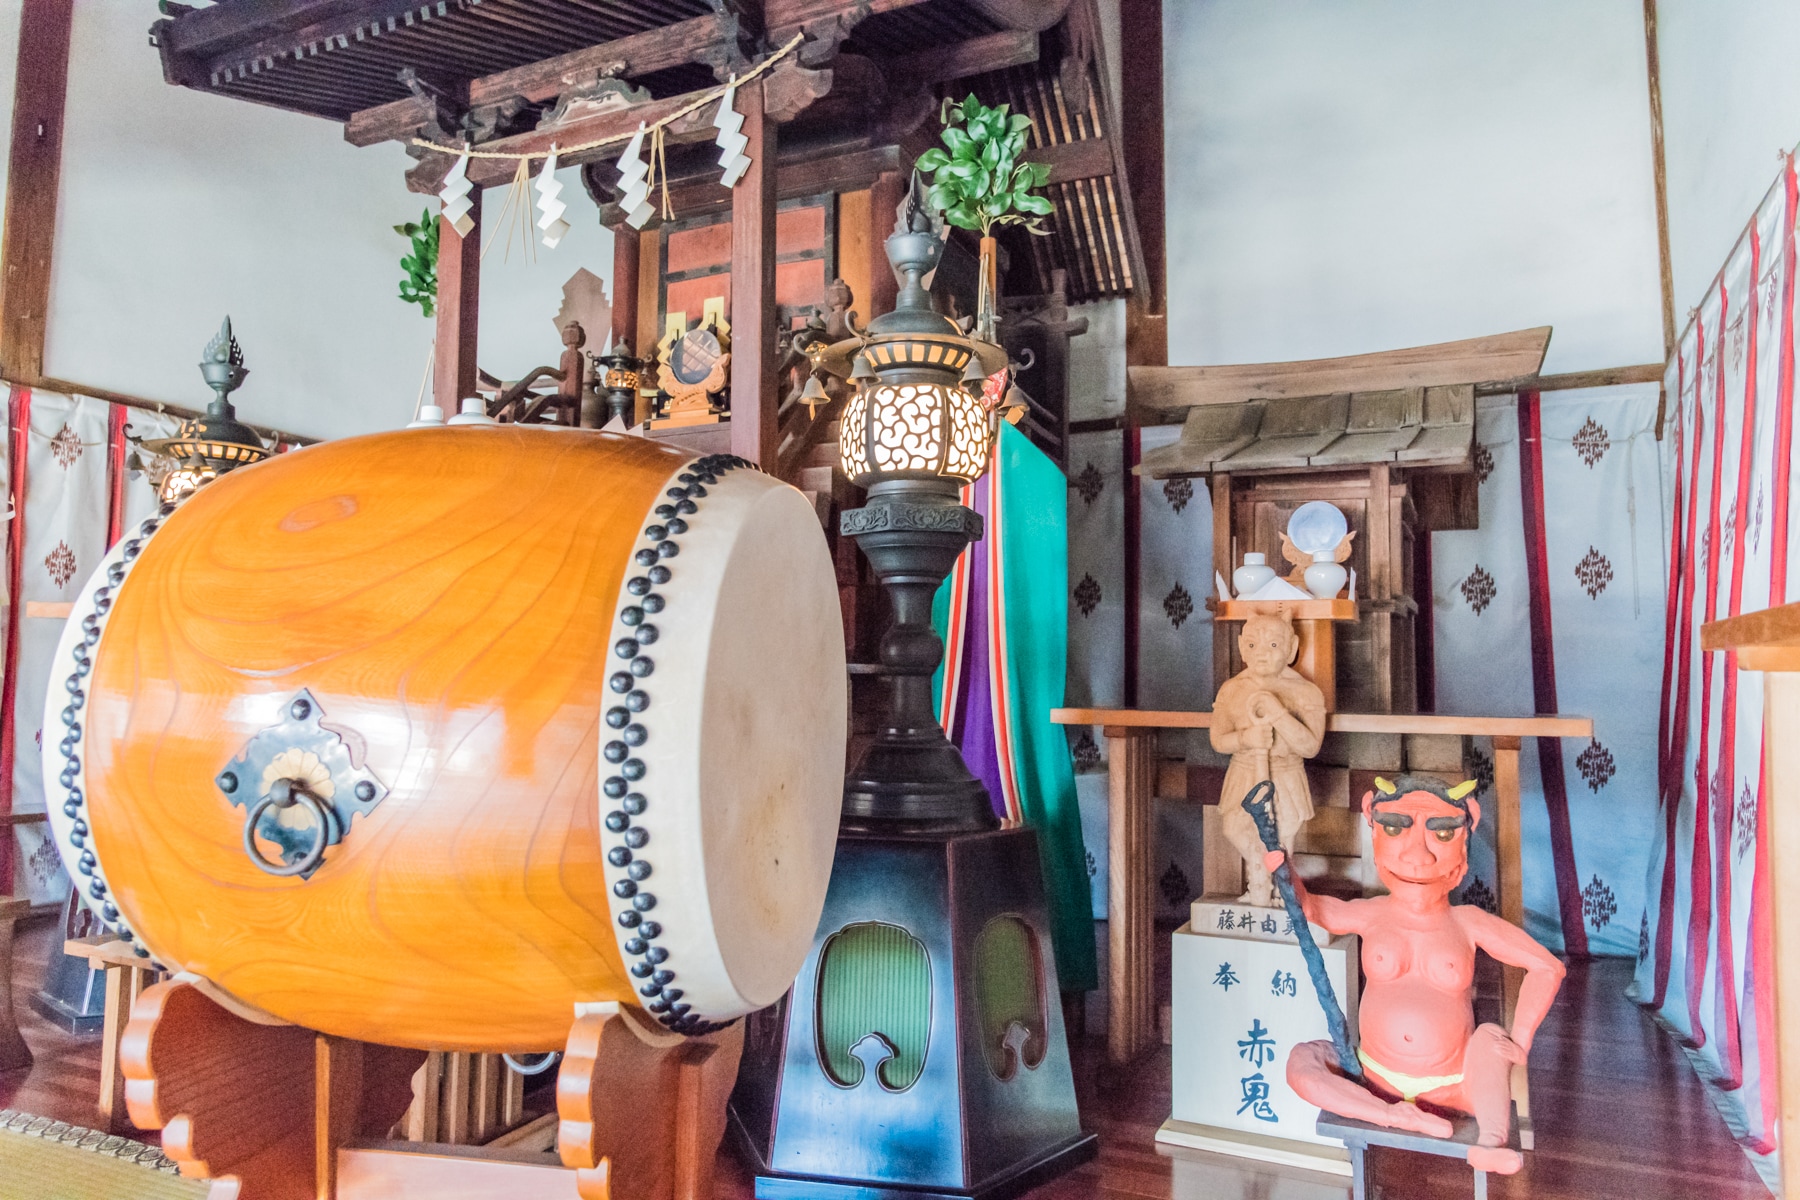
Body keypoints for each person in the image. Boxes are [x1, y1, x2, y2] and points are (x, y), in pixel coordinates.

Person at [1267, 775, 1565, 1175]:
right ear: (1372, 824)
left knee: (1491, 1039)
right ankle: (1392, 1115)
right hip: (1372, 1073)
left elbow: (1547, 966)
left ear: (1466, 833)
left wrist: (1523, 1038)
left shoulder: (1467, 922)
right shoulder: (1373, 913)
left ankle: (1490, 1141)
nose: (1418, 856)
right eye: (1395, 828)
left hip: (1456, 1084)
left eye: (1441, 833)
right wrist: (1288, 878)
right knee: (1300, 1064)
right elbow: (1316, 910)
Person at [1210, 612, 1325, 906]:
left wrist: (1277, 713)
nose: (1261, 653)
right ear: (1240, 647)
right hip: (1244, 771)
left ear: (1292, 647)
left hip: (1286, 775)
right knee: (1235, 828)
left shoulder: (1305, 692)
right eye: (1252, 645)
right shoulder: (1232, 689)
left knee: (1282, 834)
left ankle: (1278, 890)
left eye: (1273, 645)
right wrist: (1245, 739)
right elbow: (1218, 739)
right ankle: (1258, 879)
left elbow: (1310, 746)